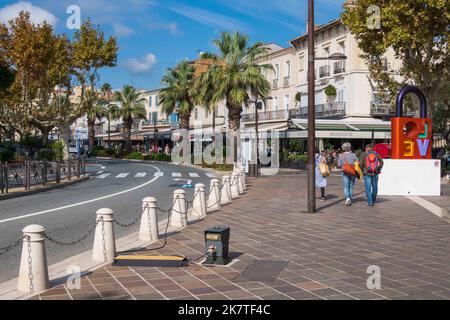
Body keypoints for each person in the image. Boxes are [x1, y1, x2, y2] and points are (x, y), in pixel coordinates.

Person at [337, 142, 358, 206]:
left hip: (345, 172)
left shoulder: (341, 156)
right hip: (352, 172)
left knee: (346, 185)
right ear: (349, 148)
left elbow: (339, 165)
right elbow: (357, 161)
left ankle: (347, 198)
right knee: (351, 185)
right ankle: (350, 197)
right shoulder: (353, 155)